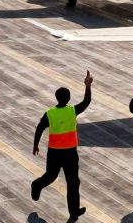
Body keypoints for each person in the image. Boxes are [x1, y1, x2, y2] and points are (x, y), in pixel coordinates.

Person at [31, 72, 92, 220]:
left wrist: (36, 145)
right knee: (72, 181)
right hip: (69, 153)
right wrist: (88, 86)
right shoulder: (72, 110)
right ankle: (37, 185)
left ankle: (73, 210)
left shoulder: (49, 113)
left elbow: (39, 128)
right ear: (69, 98)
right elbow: (86, 102)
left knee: (57, 178)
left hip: (55, 153)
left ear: (56, 98)